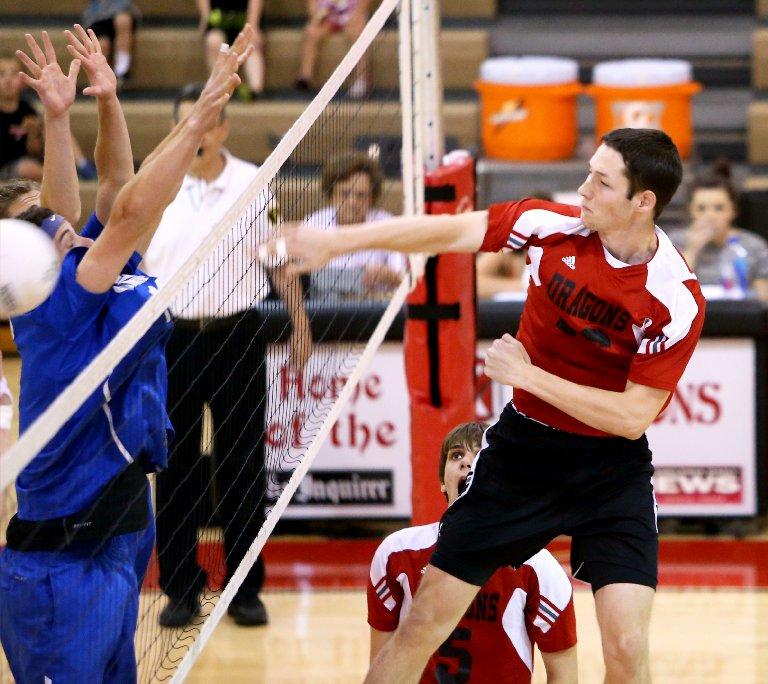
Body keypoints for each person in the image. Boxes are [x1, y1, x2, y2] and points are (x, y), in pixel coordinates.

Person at [263, 127, 707, 683]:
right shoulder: (552, 226)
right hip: (522, 456)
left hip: (610, 473)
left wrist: (528, 375)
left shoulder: (674, 296)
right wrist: (338, 242)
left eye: (601, 181)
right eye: (589, 172)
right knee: (422, 620)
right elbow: (451, 228)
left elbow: (632, 416)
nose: (583, 188)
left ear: (644, 202)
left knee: (624, 645)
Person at [0, 24, 254, 682]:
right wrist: (200, 116)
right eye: (41, 221)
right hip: (65, 550)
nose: (61, 221)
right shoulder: (61, 297)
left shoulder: (83, 266)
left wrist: (87, 108)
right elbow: (136, 208)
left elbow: (112, 184)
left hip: (115, 518)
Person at [142, 82, 311, 628]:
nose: (198, 131)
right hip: (173, 338)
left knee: (242, 465)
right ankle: (181, 590)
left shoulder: (253, 183)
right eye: (188, 121)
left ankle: (242, 589)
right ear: (179, 128)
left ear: (222, 128)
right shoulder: (156, 186)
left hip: (239, 333)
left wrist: (301, 320)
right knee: (176, 468)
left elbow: (278, 258)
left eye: (207, 120)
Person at [368, 421, 577, 683]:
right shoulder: (396, 554)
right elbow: (381, 664)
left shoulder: (537, 567)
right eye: (456, 455)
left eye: (479, 455)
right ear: (442, 482)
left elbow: (564, 675)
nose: (467, 463)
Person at [305, 151, 403, 300]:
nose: (352, 202)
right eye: (345, 194)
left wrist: (388, 275)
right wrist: (362, 278)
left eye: (361, 195)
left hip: (377, 311)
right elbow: (314, 279)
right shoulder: (314, 224)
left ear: (372, 197)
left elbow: (402, 281)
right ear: (331, 195)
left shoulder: (387, 225)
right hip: (326, 315)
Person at [667, 159, 768, 302]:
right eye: (701, 208)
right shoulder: (673, 242)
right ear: (691, 211)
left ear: (733, 211)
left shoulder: (754, 246)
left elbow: (762, 300)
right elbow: (668, 293)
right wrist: (692, 249)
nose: (710, 216)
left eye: (719, 208)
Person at [0, 49, 97, 183]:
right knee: (29, 168)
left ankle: (81, 164)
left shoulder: (27, 109)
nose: (8, 80)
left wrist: (33, 132)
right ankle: (66, 179)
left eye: (14, 74)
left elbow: (33, 150)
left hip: (27, 162)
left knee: (52, 122)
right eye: (1, 74)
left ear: (24, 80)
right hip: (6, 168)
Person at [295, 0, 370, 98]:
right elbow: (312, 5)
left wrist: (358, 14)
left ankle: (361, 80)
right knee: (311, 32)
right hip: (327, 16)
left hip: (352, 14)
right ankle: (305, 77)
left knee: (359, 34)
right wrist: (316, 16)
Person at [199, 0, 265, 100]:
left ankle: (255, 91)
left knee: (252, 45)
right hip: (219, 22)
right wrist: (206, 16)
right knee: (213, 41)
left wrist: (253, 25)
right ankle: (220, 88)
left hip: (245, 19)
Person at [82, 0, 139, 88]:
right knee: (103, 44)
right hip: (98, 17)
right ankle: (99, 81)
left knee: (123, 20)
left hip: (121, 11)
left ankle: (122, 69)